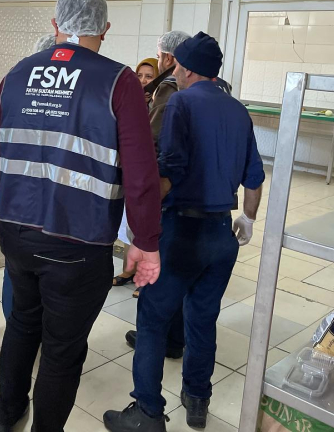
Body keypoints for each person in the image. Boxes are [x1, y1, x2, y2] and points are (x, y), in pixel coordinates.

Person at [0, 0, 163, 432]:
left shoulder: (16, 75)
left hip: (17, 233)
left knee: (23, 325)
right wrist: (146, 243)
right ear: (104, 28)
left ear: (56, 25)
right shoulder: (118, 82)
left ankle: (7, 419)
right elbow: (141, 174)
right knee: (62, 349)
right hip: (78, 243)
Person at [104, 32, 264, 432]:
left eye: (175, 64)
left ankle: (147, 412)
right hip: (221, 237)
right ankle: (197, 401)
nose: (172, 68)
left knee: (153, 320)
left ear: (187, 68)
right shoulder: (238, 110)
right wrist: (247, 218)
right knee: (202, 319)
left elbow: (170, 168)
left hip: (180, 233)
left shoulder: (180, 101)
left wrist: (140, 211)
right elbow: (255, 177)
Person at [0, 32, 58, 320]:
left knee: (18, 274)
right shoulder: (84, 91)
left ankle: (18, 328)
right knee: (55, 279)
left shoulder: (13, 83)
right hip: (62, 208)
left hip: (18, 203)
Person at [114, 34, 191, 295]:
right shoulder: (215, 89)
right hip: (194, 183)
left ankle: (149, 283)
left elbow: (154, 139)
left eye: (159, 58)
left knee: (156, 232)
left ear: (168, 58)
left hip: (167, 177)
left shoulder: (168, 88)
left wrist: (147, 179)